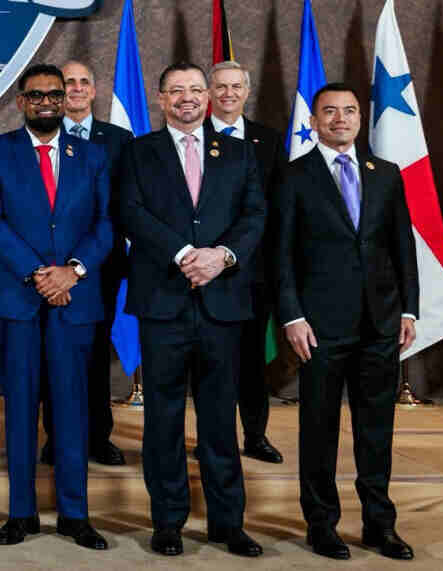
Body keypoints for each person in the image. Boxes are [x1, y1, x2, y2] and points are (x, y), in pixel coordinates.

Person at [115, 62, 266, 558]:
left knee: (220, 419)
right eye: (176, 90)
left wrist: (222, 256)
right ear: (161, 99)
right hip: (164, 302)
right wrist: (184, 254)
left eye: (196, 90)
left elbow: (255, 215)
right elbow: (130, 211)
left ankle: (228, 523)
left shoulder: (239, 152)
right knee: (163, 419)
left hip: (222, 303)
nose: (187, 98)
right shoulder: (138, 152)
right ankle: (168, 522)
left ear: (209, 97)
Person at [274, 83, 418, 561]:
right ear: (313, 121)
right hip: (319, 327)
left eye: (350, 111)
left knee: (376, 431)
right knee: (319, 430)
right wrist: (292, 315)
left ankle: (380, 525)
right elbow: (281, 254)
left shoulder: (386, 174)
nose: (340, 119)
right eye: (330, 111)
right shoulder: (293, 176)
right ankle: (322, 524)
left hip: (380, 323)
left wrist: (409, 309)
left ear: (360, 118)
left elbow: (402, 246)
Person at [0, 64, 112, 550]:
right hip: (17, 299)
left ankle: (75, 515)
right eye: (37, 95)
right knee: (20, 409)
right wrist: (38, 274)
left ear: (66, 99)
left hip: (75, 299)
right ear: (21, 102)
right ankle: (21, 513)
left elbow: (105, 224)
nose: (47, 101)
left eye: (55, 94)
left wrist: (72, 271)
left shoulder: (92, 155)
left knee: (73, 409)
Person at [38, 59, 134, 468]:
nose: (76, 88)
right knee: (52, 354)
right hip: (49, 269)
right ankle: (56, 437)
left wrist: (86, 261)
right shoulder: (41, 134)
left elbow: (124, 205)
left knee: (95, 354)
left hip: (100, 266)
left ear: (94, 91)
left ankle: (98, 436)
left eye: (83, 82)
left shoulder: (120, 140)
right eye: (68, 83)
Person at [207, 60, 286, 464]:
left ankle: (255, 435)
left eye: (235, 86)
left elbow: (278, 207)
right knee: (210, 363)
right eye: (220, 86)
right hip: (203, 270)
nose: (228, 94)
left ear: (247, 91)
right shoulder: (192, 136)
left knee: (253, 361)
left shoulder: (268, 141)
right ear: (209, 92)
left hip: (253, 272)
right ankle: (213, 439)